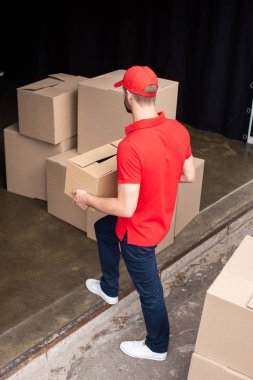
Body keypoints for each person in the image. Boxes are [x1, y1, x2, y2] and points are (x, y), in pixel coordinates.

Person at [72, 65, 195, 361]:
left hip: (138, 232)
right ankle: (109, 288)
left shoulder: (132, 146)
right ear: (153, 94)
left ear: (128, 95)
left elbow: (126, 207)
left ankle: (157, 346)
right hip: (158, 216)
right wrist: (157, 179)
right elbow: (188, 174)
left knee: (150, 291)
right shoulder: (178, 129)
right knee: (104, 229)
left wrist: (88, 198)